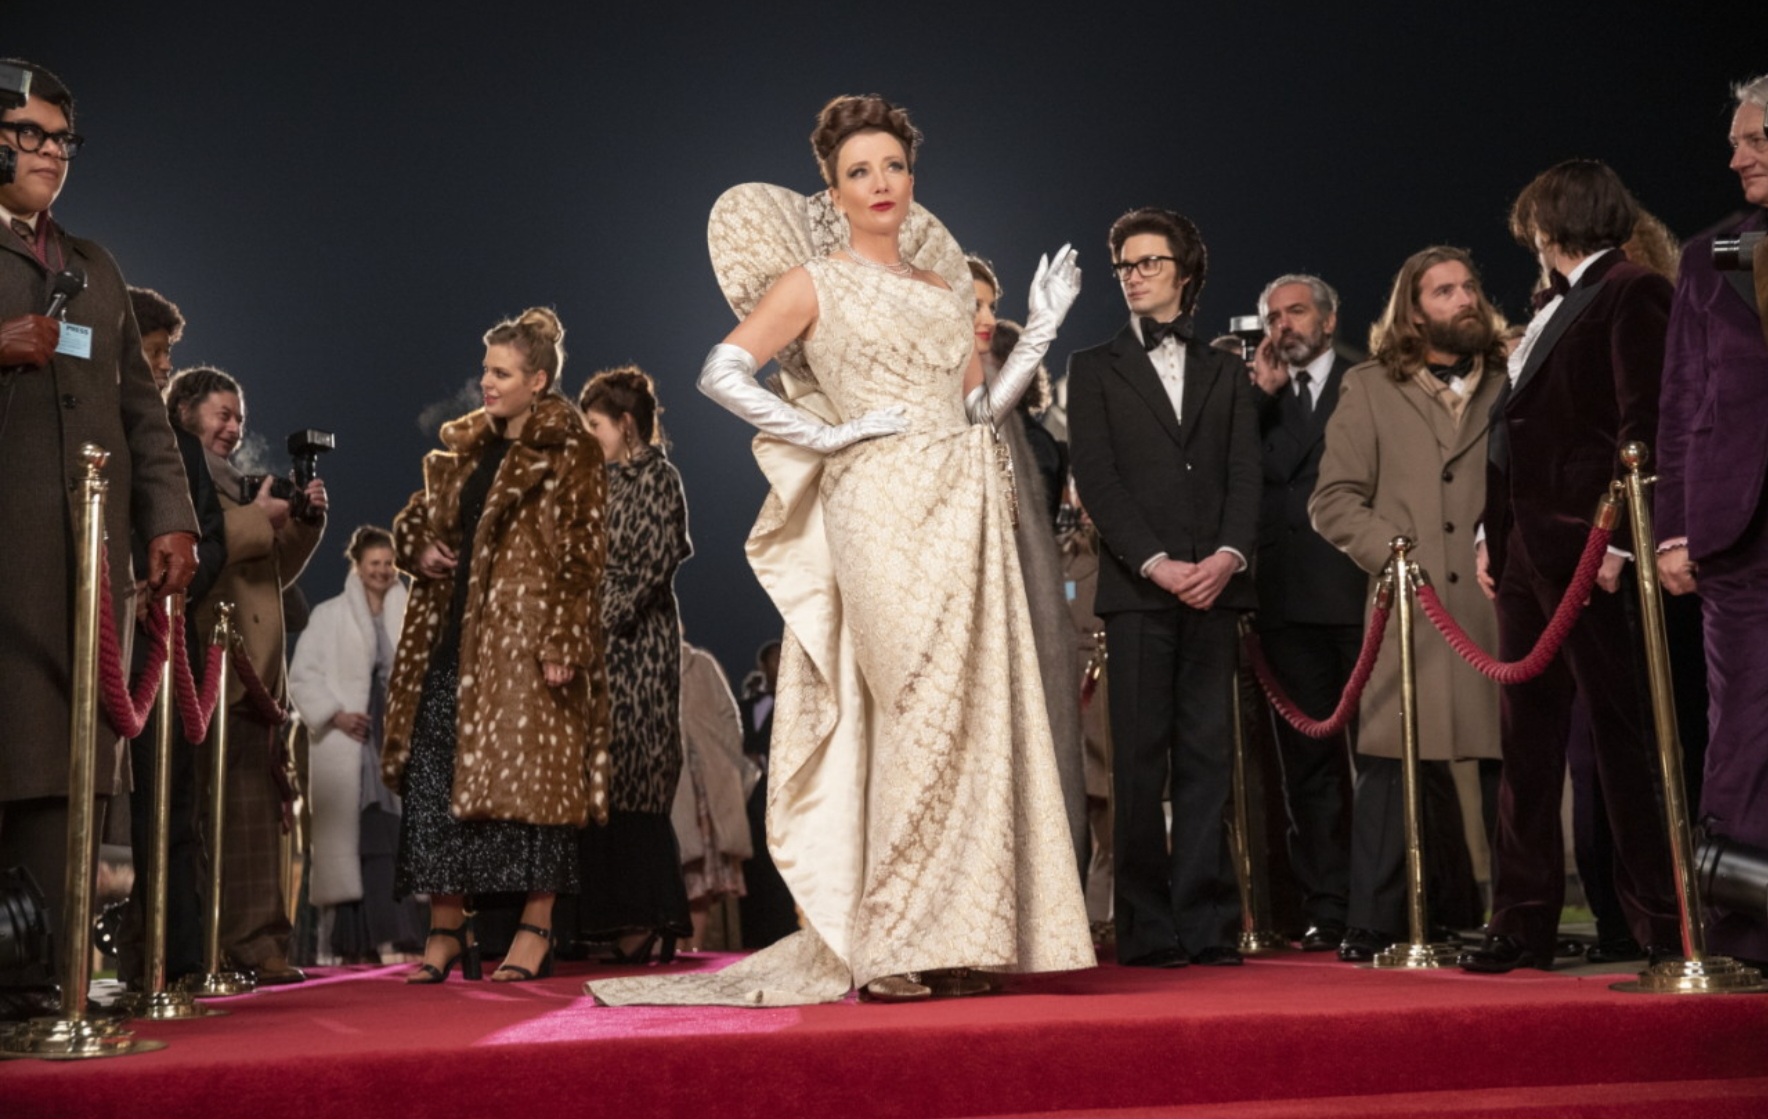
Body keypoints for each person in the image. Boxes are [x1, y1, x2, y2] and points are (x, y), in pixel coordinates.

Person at [590, 93, 1092, 1006]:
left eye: (893, 166)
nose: (880, 182)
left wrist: (1046, 324)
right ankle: (890, 940)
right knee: (910, 706)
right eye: (859, 171)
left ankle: (956, 933)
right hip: (876, 502)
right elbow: (720, 369)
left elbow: (978, 408)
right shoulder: (813, 281)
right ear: (834, 190)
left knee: (971, 711)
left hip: (963, 499)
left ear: (912, 177)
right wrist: (823, 433)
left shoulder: (944, 288)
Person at [0, 59, 199, 979]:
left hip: (83, 577)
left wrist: (171, 519)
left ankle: (56, 984)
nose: (51, 153)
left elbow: (142, 414)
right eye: (30, 134)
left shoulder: (93, 268)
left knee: (67, 775)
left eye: (62, 140)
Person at [1460, 161, 1681, 974]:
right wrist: (1490, 532)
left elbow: (1644, 422)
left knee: (1624, 741)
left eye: (1532, 225)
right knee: (1526, 746)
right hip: (1524, 552)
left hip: (1591, 547)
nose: (1530, 239)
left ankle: (1663, 924)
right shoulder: (1551, 305)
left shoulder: (1632, 291)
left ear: (1550, 225)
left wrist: (1619, 540)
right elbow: (1512, 430)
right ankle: (1521, 923)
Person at [383, 308, 608, 984]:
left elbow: (583, 553)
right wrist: (418, 547)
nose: (486, 382)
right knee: (434, 780)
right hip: (451, 638)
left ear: (537, 380)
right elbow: (414, 519)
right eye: (485, 369)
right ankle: (446, 928)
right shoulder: (467, 450)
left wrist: (563, 637)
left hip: (524, 644)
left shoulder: (569, 450)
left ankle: (535, 928)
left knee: (539, 792)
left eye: (502, 373)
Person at [1066, 206, 1261, 968]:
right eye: (1125, 265)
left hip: (1216, 587)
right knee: (1139, 766)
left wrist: (1228, 556)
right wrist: (1154, 561)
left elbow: (1245, 473)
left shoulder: (1226, 370)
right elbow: (1097, 478)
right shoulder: (1092, 366)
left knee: (1211, 761)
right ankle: (1145, 929)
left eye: (1149, 262)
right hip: (1139, 591)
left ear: (1186, 272)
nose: (1134, 275)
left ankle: (1210, 924)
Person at [1309, 246, 1505, 962]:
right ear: (1413, 311)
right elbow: (1333, 499)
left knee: (1508, 763)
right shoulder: (1368, 387)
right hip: (1407, 609)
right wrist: (1394, 554)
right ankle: (1374, 918)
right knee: (1391, 761)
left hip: (1495, 605)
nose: (1465, 298)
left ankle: (1516, 915)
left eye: (1470, 285)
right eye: (1444, 290)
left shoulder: (1511, 380)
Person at [1656, 73, 1768, 967]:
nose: (1736, 157)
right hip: (1738, 529)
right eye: (1736, 140)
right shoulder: (1709, 255)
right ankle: (1741, 934)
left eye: (1756, 139)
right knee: (1741, 733)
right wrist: (1672, 526)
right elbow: (1681, 397)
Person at [168, 366, 326, 984]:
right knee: (198, 822)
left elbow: (272, 574)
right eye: (222, 414)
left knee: (257, 823)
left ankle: (259, 944)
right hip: (203, 669)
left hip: (253, 678)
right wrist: (259, 516)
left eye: (239, 417)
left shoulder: (242, 485)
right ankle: (192, 947)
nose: (234, 427)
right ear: (186, 411)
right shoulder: (177, 474)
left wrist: (303, 522)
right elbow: (200, 552)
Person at [1246, 273, 1364, 953]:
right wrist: (1258, 397)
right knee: (1307, 768)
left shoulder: (1367, 379)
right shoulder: (1257, 395)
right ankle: (1327, 906)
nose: (1283, 325)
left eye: (1295, 311)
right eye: (1273, 316)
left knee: (1379, 758)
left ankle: (1390, 902)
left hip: (1359, 593)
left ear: (1328, 317)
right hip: (1285, 602)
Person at [116, 286, 227, 990]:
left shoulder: (181, 448)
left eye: (165, 356)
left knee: (171, 809)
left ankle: (175, 960)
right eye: (154, 352)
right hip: (101, 632)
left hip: (166, 647)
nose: (163, 367)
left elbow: (211, 540)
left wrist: (166, 582)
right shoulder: (90, 426)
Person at [572, 364, 695, 963]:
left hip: (638, 644)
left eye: (594, 425)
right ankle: (609, 916)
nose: (587, 435)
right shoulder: (596, 479)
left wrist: (596, 617)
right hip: (596, 647)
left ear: (625, 424)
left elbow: (653, 563)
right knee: (603, 775)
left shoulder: (658, 478)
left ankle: (645, 915)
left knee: (638, 771)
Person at [970, 256, 1088, 878]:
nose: (988, 318)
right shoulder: (929, 381)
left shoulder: (1017, 421)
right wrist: (1042, 327)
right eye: (975, 305)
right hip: (952, 597)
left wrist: (1044, 324)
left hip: (1018, 594)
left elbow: (986, 413)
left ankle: (1034, 889)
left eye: (992, 305)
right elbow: (976, 417)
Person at [287, 525, 425, 965]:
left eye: (388, 563)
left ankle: (398, 936)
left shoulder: (412, 615)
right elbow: (302, 677)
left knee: (396, 832)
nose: (382, 571)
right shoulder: (329, 616)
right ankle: (357, 939)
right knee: (360, 836)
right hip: (352, 739)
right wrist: (336, 714)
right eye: (374, 563)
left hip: (397, 737)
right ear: (358, 566)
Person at [673, 636, 753, 951]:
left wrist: (725, 758)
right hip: (671, 781)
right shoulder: (645, 662)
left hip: (708, 780)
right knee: (676, 866)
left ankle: (692, 950)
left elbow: (729, 715)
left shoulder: (701, 664)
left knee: (703, 873)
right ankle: (672, 950)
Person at [735, 640, 797, 947]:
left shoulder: (799, 704)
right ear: (762, 667)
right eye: (773, 660)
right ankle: (752, 937)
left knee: (784, 871)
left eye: (783, 658)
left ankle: (785, 935)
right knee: (753, 869)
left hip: (788, 799)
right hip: (749, 801)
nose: (778, 665)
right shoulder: (745, 707)